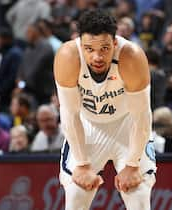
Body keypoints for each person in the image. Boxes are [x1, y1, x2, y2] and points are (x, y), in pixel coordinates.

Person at [54, 9, 156, 210]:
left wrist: (133, 164)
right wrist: (82, 164)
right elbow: (69, 114)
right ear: (80, 44)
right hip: (87, 126)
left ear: (115, 43)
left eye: (104, 48)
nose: (97, 56)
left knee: (139, 198)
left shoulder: (132, 57)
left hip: (127, 125)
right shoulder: (68, 56)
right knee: (75, 197)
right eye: (89, 49)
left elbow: (142, 117)